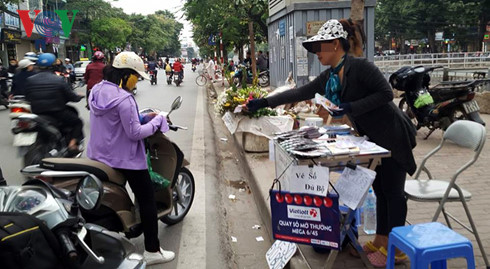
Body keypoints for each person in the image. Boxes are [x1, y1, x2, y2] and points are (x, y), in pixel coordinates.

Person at [246, 19, 416, 267]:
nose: (317, 54)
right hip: (373, 138)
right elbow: (300, 92)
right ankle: (381, 240)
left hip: (393, 134)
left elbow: (386, 94)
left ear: (335, 45)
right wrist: (264, 102)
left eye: (320, 48)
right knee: (380, 190)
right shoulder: (331, 76)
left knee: (393, 192)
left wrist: (350, 107)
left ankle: (396, 248)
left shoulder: (361, 67)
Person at [86, 51, 175, 265]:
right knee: (147, 198)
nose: (136, 82)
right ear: (126, 75)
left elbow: (116, 120)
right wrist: (158, 120)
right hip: (125, 158)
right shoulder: (125, 98)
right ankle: (152, 250)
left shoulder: (97, 90)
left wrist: (145, 117)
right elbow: (135, 133)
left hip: (98, 155)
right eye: (136, 77)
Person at [24, 53, 84, 156]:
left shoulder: (30, 80)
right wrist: (78, 96)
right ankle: (72, 145)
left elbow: (27, 97)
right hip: (57, 113)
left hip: (37, 113)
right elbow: (72, 97)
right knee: (78, 122)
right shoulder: (58, 80)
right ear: (53, 65)